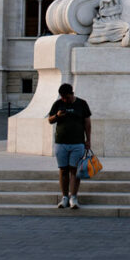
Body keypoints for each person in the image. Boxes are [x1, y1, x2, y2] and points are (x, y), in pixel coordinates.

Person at [47, 82, 91, 210]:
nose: (64, 99)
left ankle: (74, 197)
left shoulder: (82, 104)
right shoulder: (58, 103)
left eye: (66, 97)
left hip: (77, 143)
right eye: (62, 97)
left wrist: (88, 140)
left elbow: (87, 123)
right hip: (61, 143)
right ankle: (65, 197)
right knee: (63, 170)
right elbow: (50, 120)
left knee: (74, 171)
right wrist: (57, 116)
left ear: (71, 94)